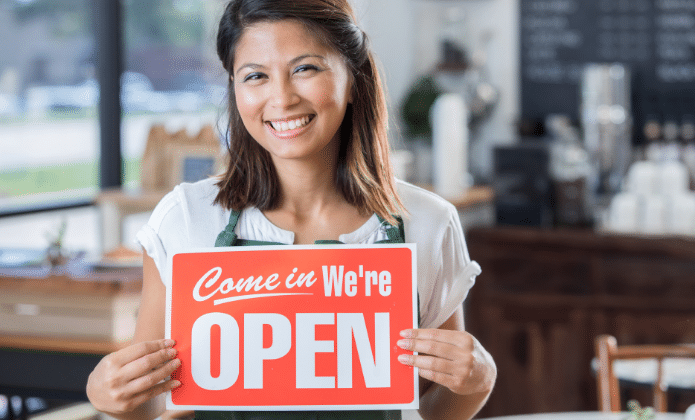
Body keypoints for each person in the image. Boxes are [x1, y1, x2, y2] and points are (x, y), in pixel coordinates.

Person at [86, 0, 496, 419]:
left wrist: (477, 382)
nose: (281, 98)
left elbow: (436, 411)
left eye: (305, 68)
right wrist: (110, 397)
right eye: (256, 76)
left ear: (354, 78)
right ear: (235, 88)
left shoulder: (428, 222)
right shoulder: (186, 219)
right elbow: (152, 402)